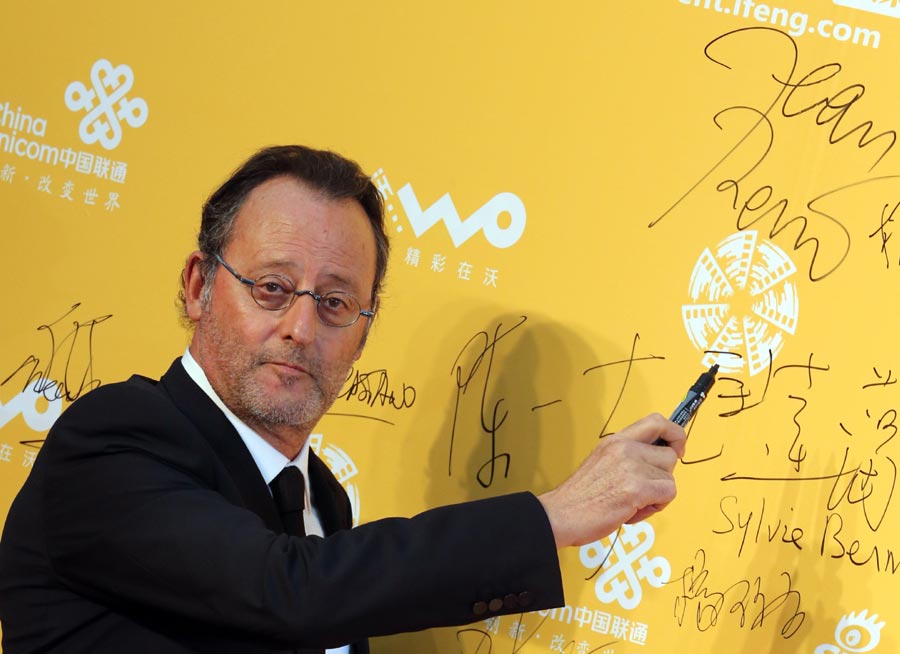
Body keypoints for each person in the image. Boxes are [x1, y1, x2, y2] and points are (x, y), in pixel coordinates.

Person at [0, 145, 686, 654]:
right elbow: (290, 594)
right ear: (198, 285)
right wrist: (552, 515)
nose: (301, 328)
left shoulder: (321, 498)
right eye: (271, 287)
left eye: (334, 303)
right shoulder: (114, 440)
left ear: (362, 334)